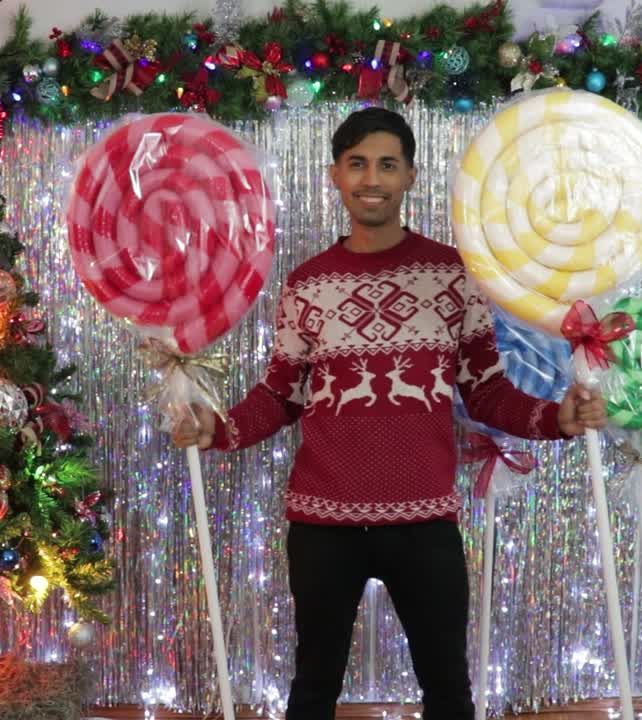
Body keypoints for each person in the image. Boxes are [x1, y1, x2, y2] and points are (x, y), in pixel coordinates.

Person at [171, 107, 606, 719]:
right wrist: (220, 428)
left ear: (409, 176)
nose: (370, 177)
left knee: (449, 691)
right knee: (314, 688)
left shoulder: (456, 278)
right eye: (356, 164)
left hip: (423, 519)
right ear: (335, 176)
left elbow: (485, 393)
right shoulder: (307, 284)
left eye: (386, 164)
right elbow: (282, 394)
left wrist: (552, 420)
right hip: (324, 524)